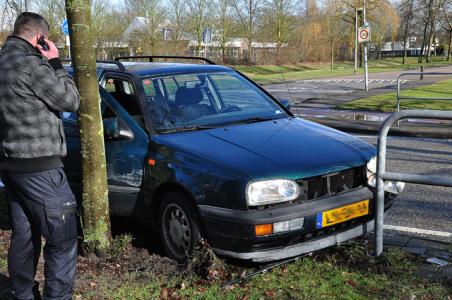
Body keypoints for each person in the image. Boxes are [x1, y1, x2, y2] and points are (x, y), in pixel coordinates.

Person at [0, 12, 80, 300]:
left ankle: (22, 295)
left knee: (25, 236)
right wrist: (56, 62)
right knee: (63, 238)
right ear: (40, 39)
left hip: (11, 167)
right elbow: (70, 100)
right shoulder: (32, 66)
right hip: (42, 168)